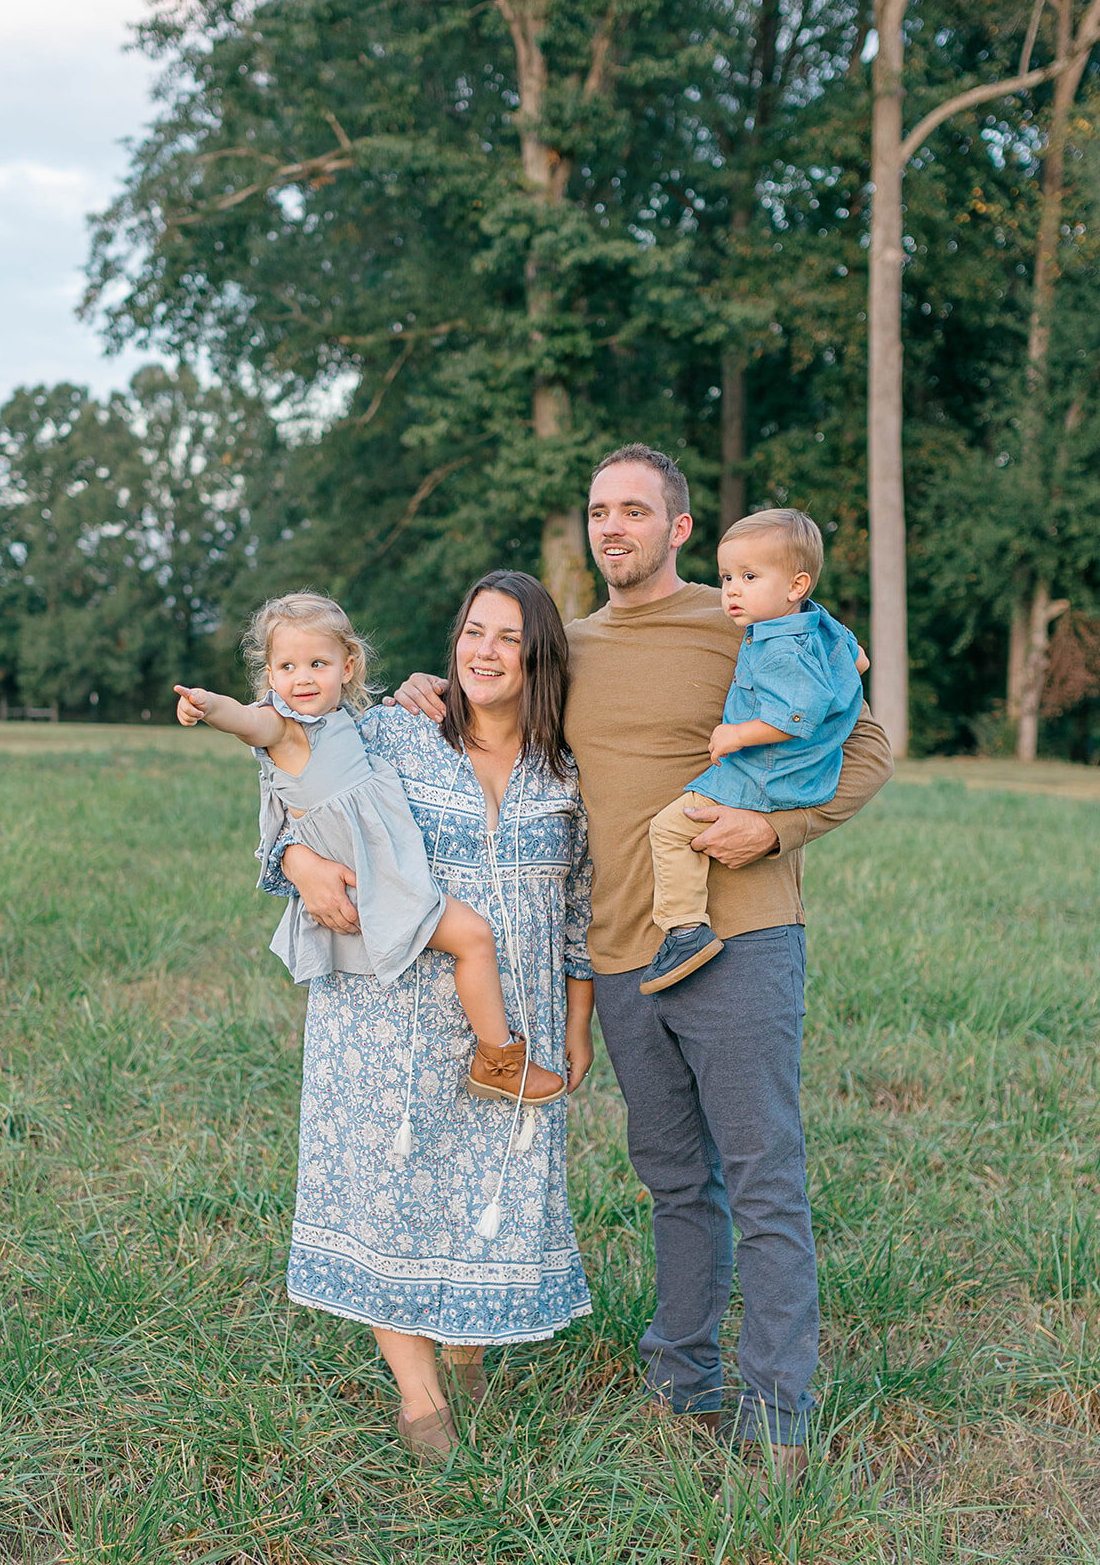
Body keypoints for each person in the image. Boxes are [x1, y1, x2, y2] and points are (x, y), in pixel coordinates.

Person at [393, 447, 893, 1496]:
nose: (611, 526)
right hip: (619, 952)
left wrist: (778, 825)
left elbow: (869, 746)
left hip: (742, 936)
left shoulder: (743, 618)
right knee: (674, 1181)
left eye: (634, 510)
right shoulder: (565, 648)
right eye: (597, 511)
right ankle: (681, 1386)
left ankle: (781, 1417)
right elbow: (491, 718)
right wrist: (422, 692)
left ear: (677, 528)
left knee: (764, 1176)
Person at [258, 572, 595, 1463]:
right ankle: (419, 1399)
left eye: (507, 637)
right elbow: (295, 790)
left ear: (539, 655)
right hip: (383, 1019)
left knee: (492, 1188)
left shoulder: (566, 769)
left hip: (511, 1026)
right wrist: (296, 860)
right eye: (472, 632)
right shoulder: (395, 733)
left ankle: (467, 1345)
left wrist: (579, 1017)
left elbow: (580, 912)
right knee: (390, 1197)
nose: (483, 652)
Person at [173, 591, 564, 1106]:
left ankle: (495, 1058)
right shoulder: (285, 728)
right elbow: (249, 721)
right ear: (270, 678)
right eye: (287, 667)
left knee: (471, 939)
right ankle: (498, 1059)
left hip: (380, 876)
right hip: (372, 885)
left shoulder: (348, 727)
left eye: (318, 663)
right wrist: (208, 706)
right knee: (473, 937)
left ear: (347, 665)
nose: (304, 679)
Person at [640, 509, 870, 994]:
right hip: (794, 774)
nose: (732, 591)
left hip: (763, 776)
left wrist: (737, 734)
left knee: (668, 829)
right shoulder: (815, 623)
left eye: (749, 577)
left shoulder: (780, 649)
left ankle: (685, 930)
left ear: (795, 585)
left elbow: (796, 715)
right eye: (726, 577)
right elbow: (858, 659)